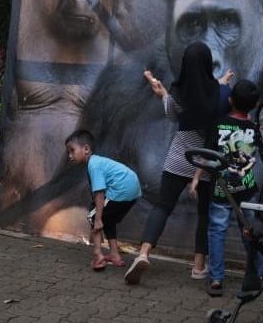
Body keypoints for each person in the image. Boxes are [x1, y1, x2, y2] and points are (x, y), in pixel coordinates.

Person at [124, 42, 231, 285]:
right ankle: (198, 266)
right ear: (207, 63)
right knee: (205, 214)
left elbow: (173, 115)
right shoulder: (222, 95)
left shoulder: (178, 90)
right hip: (205, 162)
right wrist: (223, 83)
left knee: (162, 207)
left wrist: (163, 95)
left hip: (179, 157)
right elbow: (217, 101)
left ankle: (143, 254)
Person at [196, 79, 263, 297]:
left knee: (216, 232)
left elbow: (207, 157)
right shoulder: (254, 129)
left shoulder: (218, 125)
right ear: (252, 106)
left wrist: (196, 178)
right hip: (247, 190)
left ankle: (216, 279)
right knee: (251, 234)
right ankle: (256, 275)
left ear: (230, 100)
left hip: (221, 190)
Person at [64, 129, 141, 271]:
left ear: (86, 149)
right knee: (108, 219)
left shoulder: (94, 165)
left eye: (72, 150)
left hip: (122, 190)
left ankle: (98, 255)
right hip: (133, 191)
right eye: (68, 152)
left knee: (94, 217)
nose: (70, 156)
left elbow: (99, 193)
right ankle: (114, 255)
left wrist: (98, 219)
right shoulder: (97, 162)